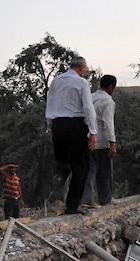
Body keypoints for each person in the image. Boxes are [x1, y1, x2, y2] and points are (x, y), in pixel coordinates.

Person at [45, 56, 98, 215]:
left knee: (62, 162)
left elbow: (50, 103)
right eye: (86, 68)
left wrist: (51, 127)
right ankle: (72, 205)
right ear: (81, 68)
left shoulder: (56, 81)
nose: (86, 71)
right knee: (81, 167)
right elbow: (88, 107)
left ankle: (58, 186)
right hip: (74, 124)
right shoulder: (81, 82)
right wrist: (93, 132)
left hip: (57, 124)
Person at [81, 74, 117, 208]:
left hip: (88, 138)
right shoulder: (108, 101)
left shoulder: (90, 97)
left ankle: (86, 198)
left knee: (90, 170)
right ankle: (105, 198)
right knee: (105, 171)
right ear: (111, 87)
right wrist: (112, 143)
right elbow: (108, 123)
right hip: (101, 141)